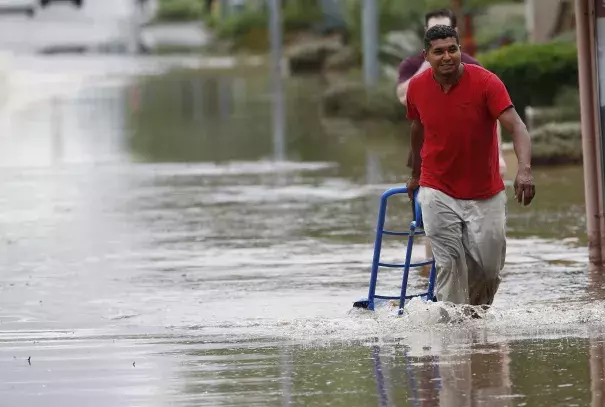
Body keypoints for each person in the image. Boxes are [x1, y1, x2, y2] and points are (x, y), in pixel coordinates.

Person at [405, 25, 535, 307]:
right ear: (426, 56)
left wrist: (523, 170)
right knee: (449, 264)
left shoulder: (487, 82)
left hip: (485, 190)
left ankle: (474, 322)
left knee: (489, 270)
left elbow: (518, 127)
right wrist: (415, 174)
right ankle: (453, 337)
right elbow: (417, 127)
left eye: (452, 49)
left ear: (460, 50)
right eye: (438, 52)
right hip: (437, 187)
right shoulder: (417, 87)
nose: (447, 56)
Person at [397, 8, 507, 268]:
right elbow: (402, 97)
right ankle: (432, 273)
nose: (445, 55)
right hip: (429, 157)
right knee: (432, 221)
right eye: (431, 30)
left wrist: (500, 154)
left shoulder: (472, 67)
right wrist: (428, 66)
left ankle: (469, 282)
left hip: (472, 161)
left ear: (456, 34)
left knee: (477, 230)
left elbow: (495, 114)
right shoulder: (413, 66)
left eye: (445, 30)